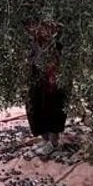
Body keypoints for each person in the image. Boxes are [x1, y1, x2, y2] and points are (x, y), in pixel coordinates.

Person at [25, 21, 68, 154]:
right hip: (38, 75)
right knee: (36, 105)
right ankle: (45, 140)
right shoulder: (34, 40)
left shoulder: (57, 40)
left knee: (54, 106)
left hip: (53, 77)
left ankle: (54, 143)